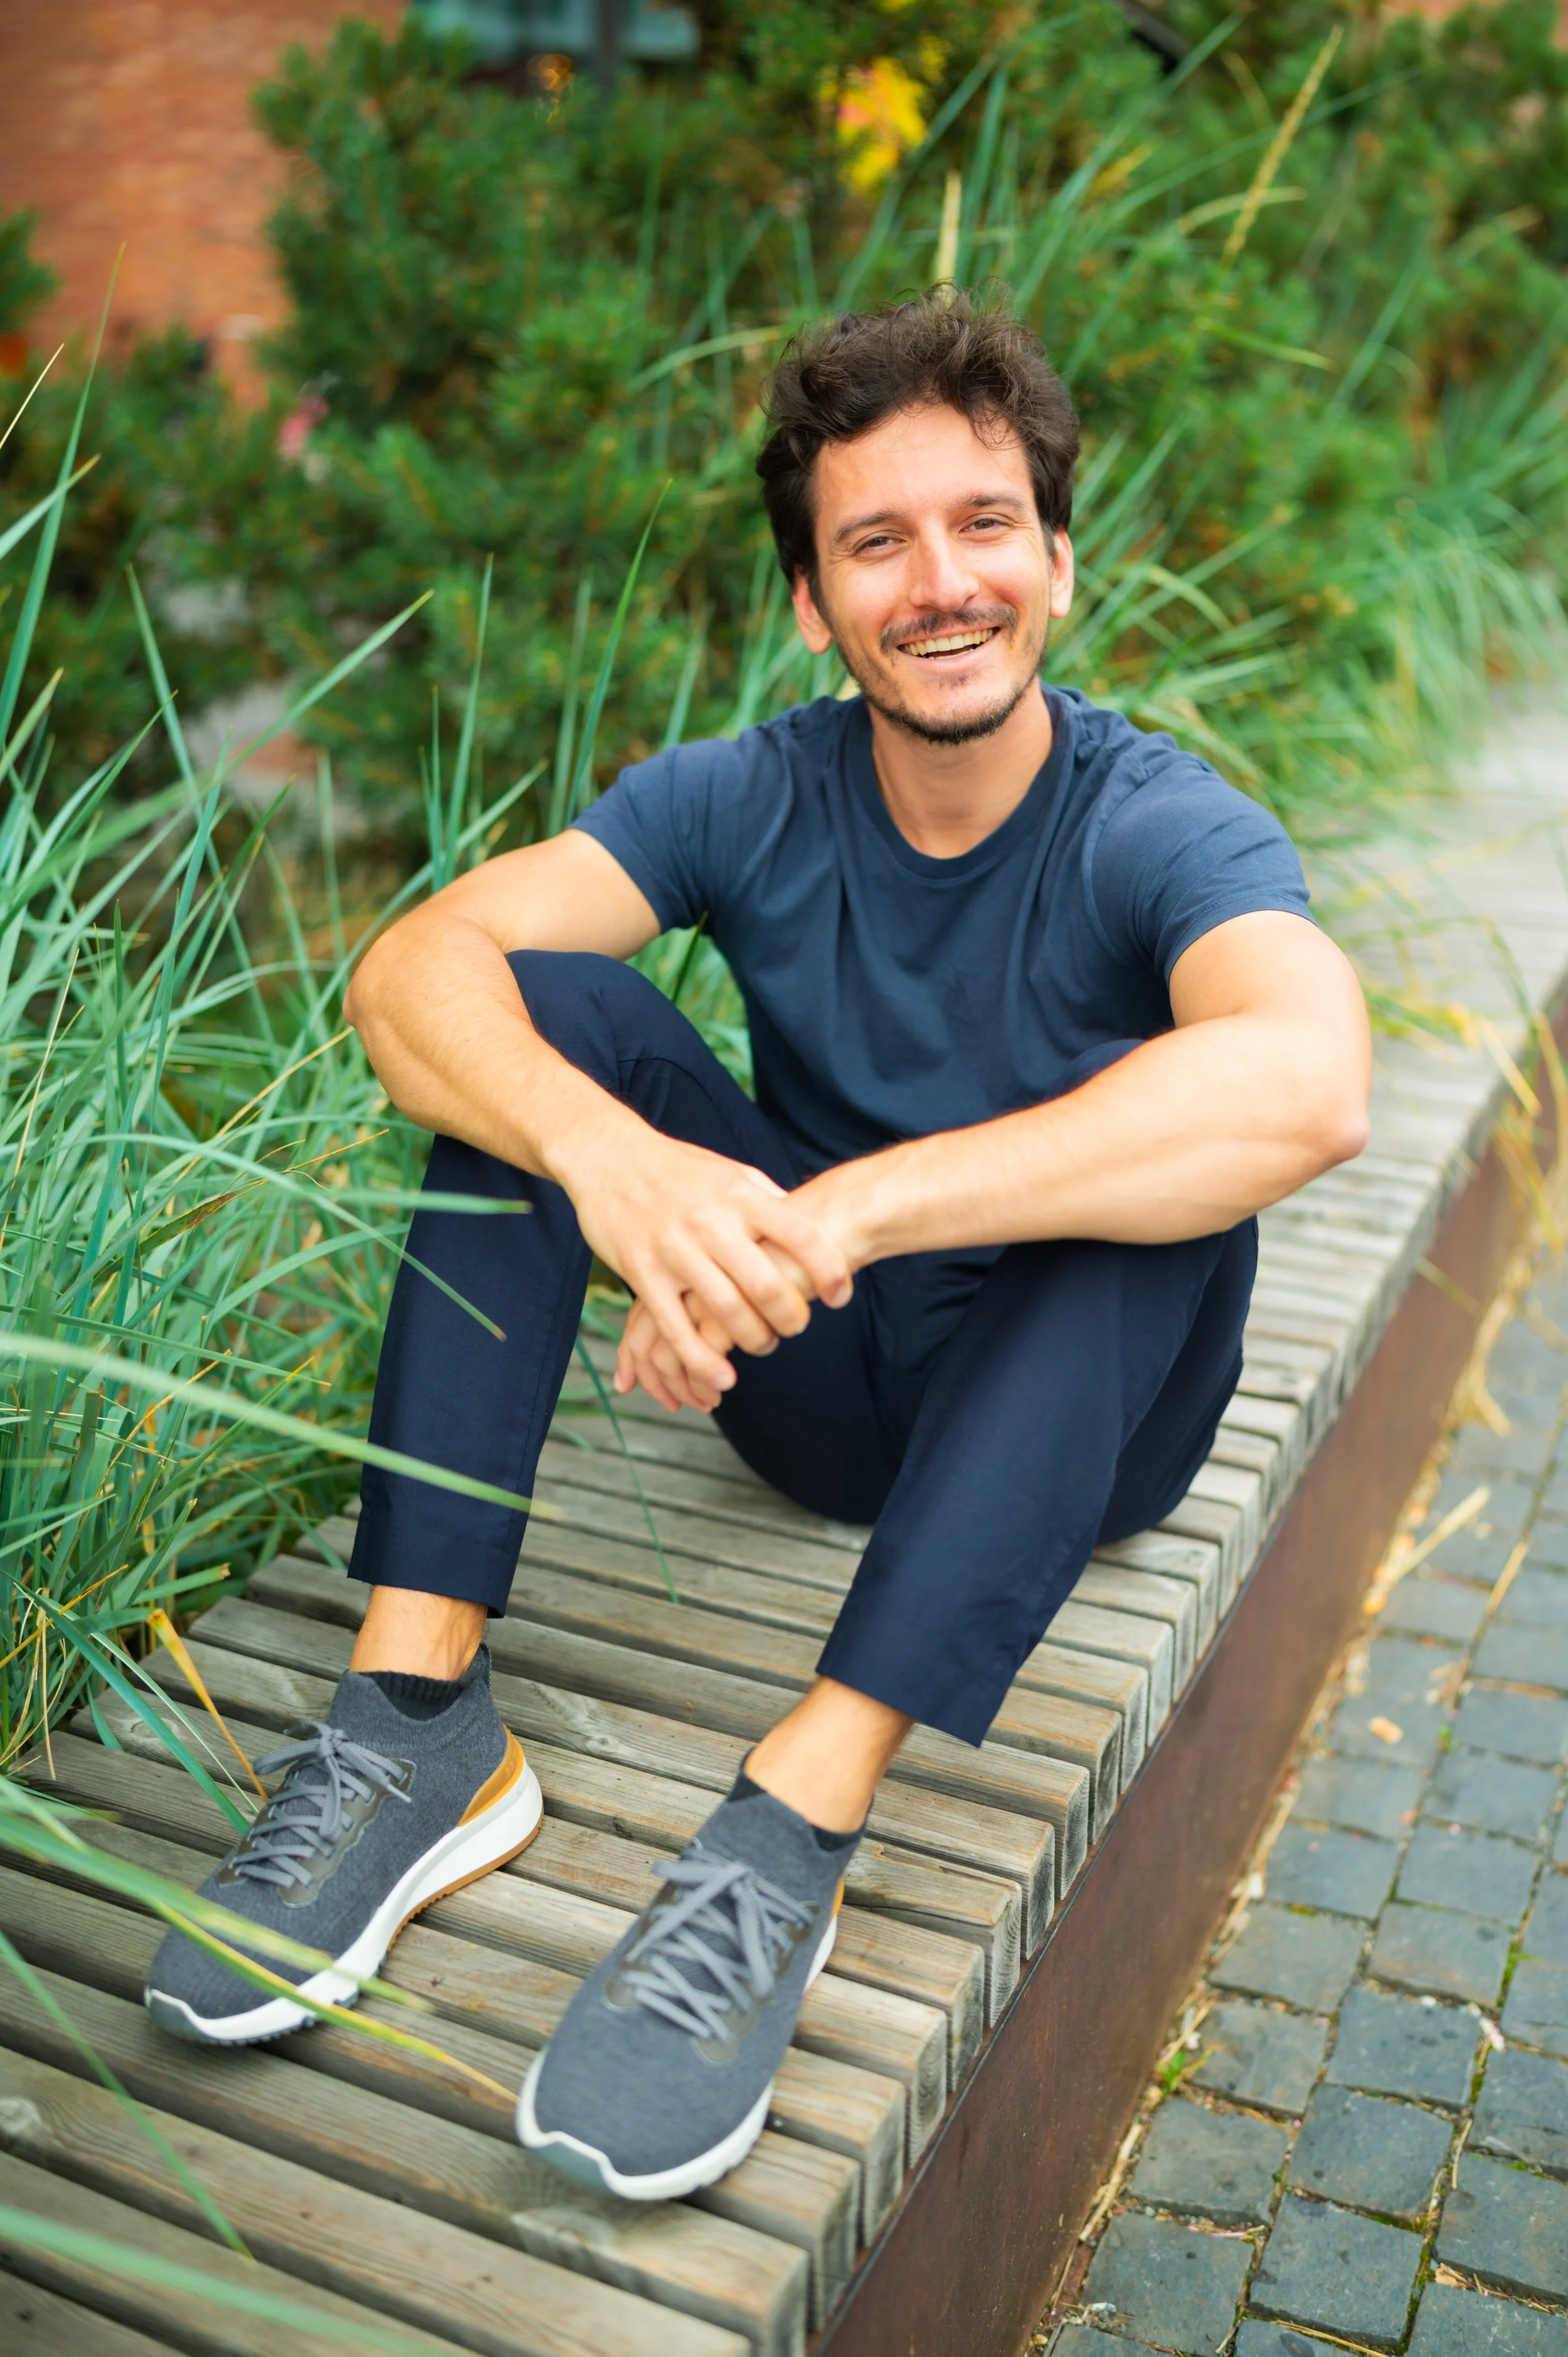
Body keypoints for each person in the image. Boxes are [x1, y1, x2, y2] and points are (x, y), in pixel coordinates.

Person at [144, 290, 1370, 2202]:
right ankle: (414, 1721)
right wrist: (617, 1164)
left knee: (1165, 1144)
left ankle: (792, 1818)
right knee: (538, 1016)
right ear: (814, 601)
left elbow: (1311, 1080)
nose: (939, 581)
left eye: (983, 525)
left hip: (1084, 1413)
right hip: (819, 1384)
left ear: (1057, 563)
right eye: (876, 541)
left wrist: (843, 1207)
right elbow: (409, 973)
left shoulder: (1152, 822)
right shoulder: (747, 791)